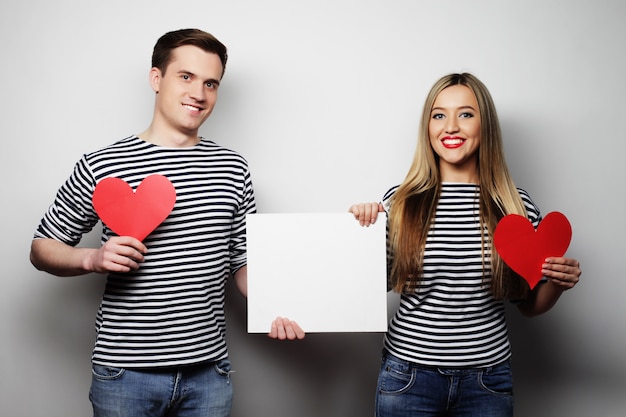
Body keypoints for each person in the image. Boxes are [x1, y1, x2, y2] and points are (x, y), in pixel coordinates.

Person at [30, 28, 302, 417]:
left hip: (208, 374)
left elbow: (242, 263)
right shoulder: (102, 164)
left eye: (211, 83)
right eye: (186, 77)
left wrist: (279, 306)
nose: (199, 93)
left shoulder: (233, 168)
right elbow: (42, 247)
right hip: (125, 374)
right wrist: (92, 259)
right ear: (157, 79)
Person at [349, 73, 581, 417]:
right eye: (439, 115)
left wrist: (559, 284)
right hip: (409, 378)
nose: (451, 127)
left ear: (485, 125)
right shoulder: (400, 202)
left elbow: (529, 304)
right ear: (427, 128)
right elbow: (369, 286)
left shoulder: (515, 207)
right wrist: (360, 229)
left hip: (487, 383)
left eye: (466, 114)